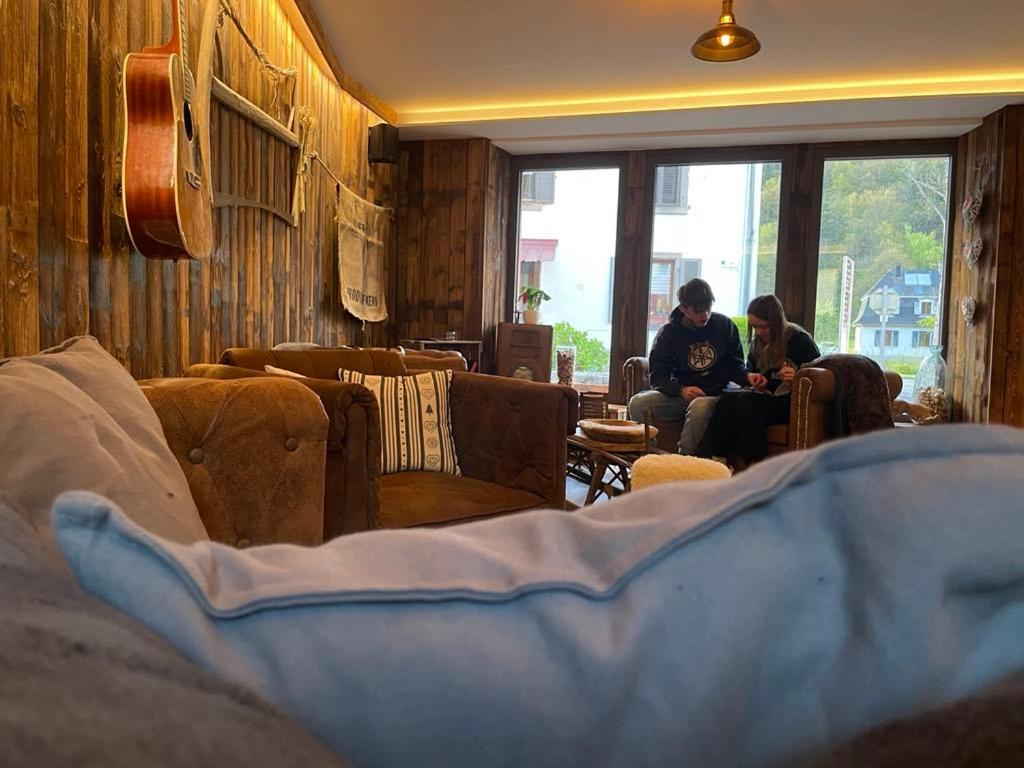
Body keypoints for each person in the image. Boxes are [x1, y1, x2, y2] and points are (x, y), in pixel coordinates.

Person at [628, 278, 762, 455]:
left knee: (699, 405)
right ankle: (650, 454)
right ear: (683, 308)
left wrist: (747, 377)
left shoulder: (724, 326)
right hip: (679, 396)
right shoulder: (668, 334)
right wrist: (681, 390)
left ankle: (683, 459)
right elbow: (658, 377)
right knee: (637, 403)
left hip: (716, 395)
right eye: (698, 311)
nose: (705, 315)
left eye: (708, 308)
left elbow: (735, 364)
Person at [709, 294, 821, 469]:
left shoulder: (799, 340)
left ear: (776, 322)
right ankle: (718, 463)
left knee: (747, 402)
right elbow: (752, 371)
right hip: (765, 397)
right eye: (754, 327)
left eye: (764, 327)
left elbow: (818, 374)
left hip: (790, 402)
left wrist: (797, 376)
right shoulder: (757, 344)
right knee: (727, 400)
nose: (759, 332)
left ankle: (754, 464)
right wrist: (755, 379)